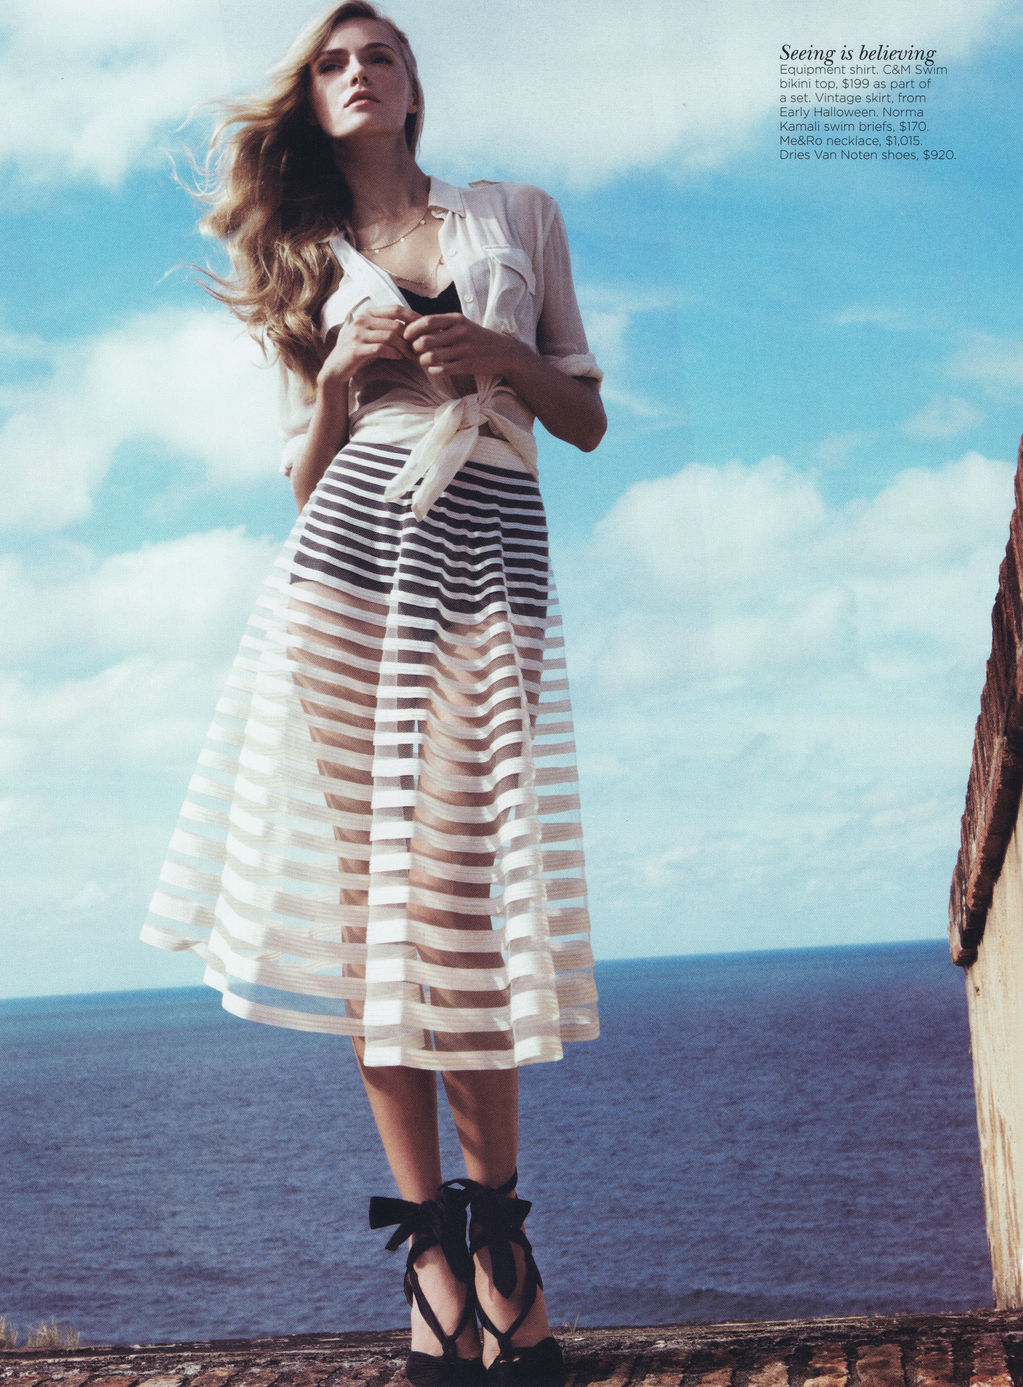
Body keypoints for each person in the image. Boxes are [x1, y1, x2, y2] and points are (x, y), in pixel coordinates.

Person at [141, 3, 605, 1383]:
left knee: (462, 906)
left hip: (490, 558)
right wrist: (342, 379)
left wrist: (501, 359)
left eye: (379, 54)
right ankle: (435, 1258)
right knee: (374, 924)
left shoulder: (516, 215)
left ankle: (503, 1237)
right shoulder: (299, 263)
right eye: (334, 62)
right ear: (314, 98)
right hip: (346, 576)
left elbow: (584, 417)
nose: (358, 73)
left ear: (413, 85)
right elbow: (303, 481)